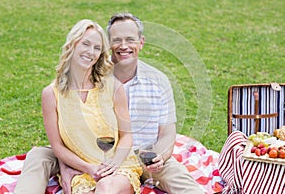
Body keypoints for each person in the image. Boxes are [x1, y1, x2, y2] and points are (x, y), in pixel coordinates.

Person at [15, 13, 204, 194]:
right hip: (83, 151)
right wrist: (66, 167)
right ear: (108, 45)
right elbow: (62, 137)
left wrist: (159, 156)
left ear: (141, 42)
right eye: (117, 40)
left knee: (179, 179)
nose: (124, 46)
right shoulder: (93, 73)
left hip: (140, 154)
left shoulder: (157, 80)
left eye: (130, 39)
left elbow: (167, 132)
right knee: (38, 156)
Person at [15, 19, 142, 194]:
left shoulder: (113, 87)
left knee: (105, 187)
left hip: (118, 165)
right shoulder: (51, 94)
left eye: (97, 48)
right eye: (86, 44)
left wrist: (114, 164)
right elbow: (58, 147)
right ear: (73, 44)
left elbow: (126, 135)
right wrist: (88, 168)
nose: (91, 52)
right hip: (82, 170)